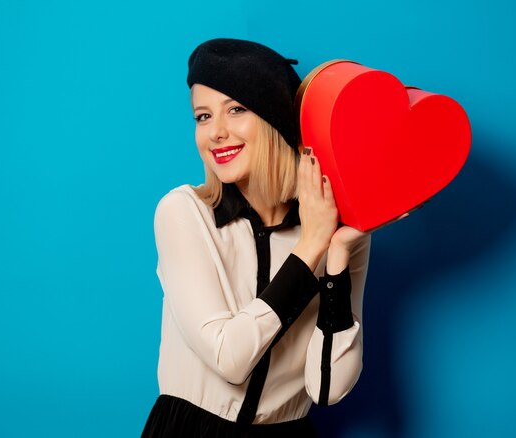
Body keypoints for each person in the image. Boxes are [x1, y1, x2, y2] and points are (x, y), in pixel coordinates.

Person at [141, 38, 375, 437]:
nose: (216, 132)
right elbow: (229, 358)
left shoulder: (335, 233)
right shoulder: (182, 212)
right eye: (202, 116)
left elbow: (328, 387)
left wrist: (335, 257)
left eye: (236, 110)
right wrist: (309, 248)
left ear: (274, 122)